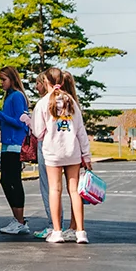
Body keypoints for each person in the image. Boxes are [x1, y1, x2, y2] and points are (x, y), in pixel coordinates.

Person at [35, 66, 93, 244]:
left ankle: (57, 231)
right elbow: (81, 131)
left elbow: (38, 132)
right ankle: (80, 232)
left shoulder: (43, 103)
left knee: (55, 190)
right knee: (74, 191)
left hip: (53, 152)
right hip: (72, 151)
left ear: (46, 81)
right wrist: (86, 155)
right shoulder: (71, 101)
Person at [0, 66, 35, 236]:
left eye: (3, 79)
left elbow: (20, 122)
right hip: (7, 144)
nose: (1, 83)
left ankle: (20, 221)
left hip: (15, 145)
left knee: (13, 181)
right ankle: (18, 219)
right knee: (6, 181)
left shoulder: (17, 96)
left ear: (12, 79)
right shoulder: (9, 97)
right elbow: (7, 121)